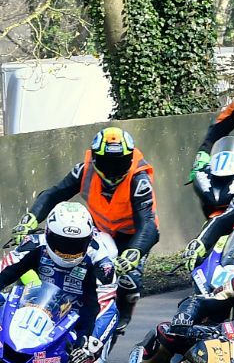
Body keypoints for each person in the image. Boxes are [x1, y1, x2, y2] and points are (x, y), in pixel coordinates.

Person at [10, 126, 158, 332]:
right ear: (96, 159)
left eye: (119, 161)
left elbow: (148, 223)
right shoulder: (84, 170)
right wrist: (31, 219)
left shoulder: (139, 180)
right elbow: (54, 194)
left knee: (127, 280)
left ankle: (120, 315)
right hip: (98, 230)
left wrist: (135, 252)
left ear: (130, 157)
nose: (113, 167)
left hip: (131, 237)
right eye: (107, 161)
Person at [0, 202, 116, 363]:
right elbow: (5, 268)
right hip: (34, 304)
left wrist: (93, 341)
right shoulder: (34, 243)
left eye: (76, 244)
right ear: (48, 233)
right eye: (62, 243)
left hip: (76, 318)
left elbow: (107, 304)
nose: (68, 251)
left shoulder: (101, 262)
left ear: (89, 239)